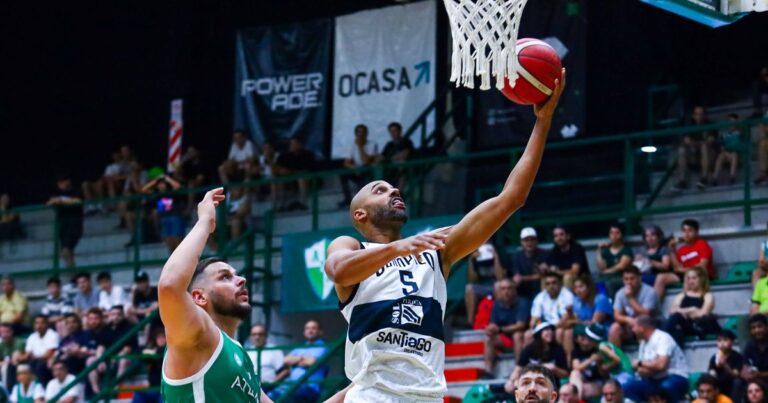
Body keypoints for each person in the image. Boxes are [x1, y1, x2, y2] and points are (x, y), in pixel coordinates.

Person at [323, 72, 565, 402]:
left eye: (394, 187)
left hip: (427, 396)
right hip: (373, 395)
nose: (394, 189)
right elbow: (338, 270)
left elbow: (511, 199)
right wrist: (397, 248)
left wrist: (543, 121)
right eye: (380, 190)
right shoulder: (351, 246)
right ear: (359, 215)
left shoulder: (436, 251)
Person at [157, 189, 352, 403]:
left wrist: (355, 388)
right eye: (225, 277)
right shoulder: (197, 335)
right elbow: (169, 285)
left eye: (236, 275)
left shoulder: (240, 354)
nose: (241, 280)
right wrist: (205, 222)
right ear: (199, 297)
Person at [623, 315, 689, 403]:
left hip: (675, 377)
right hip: (653, 379)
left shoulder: (663, 338)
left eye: (634, 327)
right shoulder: (643, 343)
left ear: (641, 328)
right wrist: (651, 367)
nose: (632, 330)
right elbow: (640, 370)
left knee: (666, 387)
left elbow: (661, 365)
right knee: (628, 387)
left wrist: (640, 363)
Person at [269, 320, 329, 402]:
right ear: (304, 332)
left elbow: (311, 362)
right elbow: (286, 360)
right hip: (293, 385)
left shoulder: (323, 346)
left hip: (309, 388)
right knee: (270, 394)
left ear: (320, 332)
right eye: (307, 328)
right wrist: (302, 359)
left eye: (313, 328)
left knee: (283, 396)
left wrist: (295, 360)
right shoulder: (300, 347)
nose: (310, 330)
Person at [662, 266, 719, 345]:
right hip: (683, 325)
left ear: (701, 279)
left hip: (698, 326)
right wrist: (692, 309)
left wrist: (682, 312)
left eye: (694, 278)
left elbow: (703, 314)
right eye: (688, 278)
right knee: (676, 329)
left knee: (676, 318)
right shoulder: (681, 295)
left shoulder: (707, 296)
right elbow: (672, 311)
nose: (691, 281)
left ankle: (660, 343)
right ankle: (675, 353)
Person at [484, 279, 530, 370]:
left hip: (523, 337)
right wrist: (490, 329)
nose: (506, 292)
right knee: (489, 339)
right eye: (503, 289)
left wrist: (500, 329)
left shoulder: (522, 302)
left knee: (517, 335)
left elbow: (520, 325)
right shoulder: (497, 305)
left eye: (509, 288)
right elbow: (493, 325)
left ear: (514, 290)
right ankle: (488, 370)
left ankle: (519, 368)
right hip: (505, 337)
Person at [609, 266, 658, 347]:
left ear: (639, 278)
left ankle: (644, 358)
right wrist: (628, 319)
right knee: (614, 328)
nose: (629, 282)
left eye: (632, 279)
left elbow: (646, 313)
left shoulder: (650, 291)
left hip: (651, 323)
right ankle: (617, 357)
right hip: (631, 325)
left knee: (640, 325)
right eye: (626, 279)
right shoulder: (620, 293)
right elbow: (616, 315)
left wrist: (630, 298)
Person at [529, 272, 576, 355]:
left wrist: (550, 330)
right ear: (545, 286)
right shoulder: (540, 297)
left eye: (554, 283)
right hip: (545, 327)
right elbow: (534, 319)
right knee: (527, 334)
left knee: (559, 332)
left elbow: (565, 318)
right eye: (548, 284)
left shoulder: (567, 295)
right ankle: (533, 362)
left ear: (560, 283)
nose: (551, 286)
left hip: (561, 326)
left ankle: (560, 361)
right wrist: (535, 329)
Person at [672, 105, 716, 190]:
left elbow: (711, 140)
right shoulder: (690, 126)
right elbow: (686, 141)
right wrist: (697, 143)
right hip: (694, 155)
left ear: (704, 115)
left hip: (710, 155)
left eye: (701, 114)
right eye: (697, 114)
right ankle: (682, 181)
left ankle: (704, 178)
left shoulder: (711, 125)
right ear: (693, 116)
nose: (699, 116)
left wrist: (695, 143)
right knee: (682, 150)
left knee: (704, 147)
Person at [667, 219, 715, 295]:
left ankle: (686, 301)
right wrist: (672, 250)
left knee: (689, 275)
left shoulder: (702, 244)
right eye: (684, 231)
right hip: (687, 275)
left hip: (703, 275)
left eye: (690, 230)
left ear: (696, 232)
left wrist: (684, 270)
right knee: (661, 278)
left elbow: (702, 266)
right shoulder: (681, 250)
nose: (686, 233)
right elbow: (677, 268)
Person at [142, 174, 186, 253]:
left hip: (174, 218)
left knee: (177, 241)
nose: (161, 185)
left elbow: (178, 187)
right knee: (169, 243)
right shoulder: (156, 194)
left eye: (163, 183)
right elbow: (143, 190)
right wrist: (155, 180)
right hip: (163, 219)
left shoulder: (171, 192)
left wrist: (167, 178)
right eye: (159, 184)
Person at [47, 175, 83, 268]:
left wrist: (62, 201)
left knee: (66, 251)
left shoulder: (75, 190)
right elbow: (49, 203)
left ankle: (74, 276)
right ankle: (74, 276)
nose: (60, 184)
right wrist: (55, 201)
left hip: (74, 223)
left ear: (68, 181)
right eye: (59, 182)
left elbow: (78, 201)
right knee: (67, 252)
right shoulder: (56, 193)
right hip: (63, 225)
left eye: (62, 181)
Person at [339, 124, 379, 208]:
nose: (361, 134)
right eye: (359, 132)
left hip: (367, 169)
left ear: (366, 134)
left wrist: (360, 146)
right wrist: (355, 169)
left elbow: (366, 160)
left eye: (363, 132)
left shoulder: (372, 144)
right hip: (357, 169)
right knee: (343, 174)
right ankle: (347, 199)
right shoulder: (352, 145)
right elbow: (346, 162)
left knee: (365, 173)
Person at [465, 242, 505, 325]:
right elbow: (472, 280)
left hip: (495, 286)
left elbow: (500, 278)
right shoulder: (476, 255)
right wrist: (471, 261)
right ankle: (470, 322)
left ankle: (498, 321)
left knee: (498, 285)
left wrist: (496, 258)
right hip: (482, 286)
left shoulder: (498, 250)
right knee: (469, 288)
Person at [274, 137, 316, 211]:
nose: (292, 146)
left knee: (301, 178)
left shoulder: (308, 155)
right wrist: (281, 171)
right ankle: (280, 206)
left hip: (306, 180)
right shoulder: (285, 156)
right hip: (290, 181)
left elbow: (307, 170)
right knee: (280, 180)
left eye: (294, 144)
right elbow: (277, 168)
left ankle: (303, 203)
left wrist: (291, 172)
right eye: (291, 144)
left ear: (300, 145)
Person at [507, 227, 548, 301]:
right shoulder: (516, 256)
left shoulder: (544, 254)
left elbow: (543, 275)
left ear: (536, 241)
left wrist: (524, 278)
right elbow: (516, 277)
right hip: (522, 290)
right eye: (526, 240)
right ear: (521, 242)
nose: (529, 243)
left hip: (539, 289)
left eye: (532, 239)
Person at [632, 226, 672, 294]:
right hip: (643, 275)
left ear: (658, 237)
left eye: (653, 235)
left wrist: (651, 262)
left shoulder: (663, 249)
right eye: (647, 236)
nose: (650, 238)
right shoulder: (642, 251)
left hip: (658, 275)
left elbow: (665, 266)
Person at [19, 316, 58, 385]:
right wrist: (19, 357)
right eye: (37, 323)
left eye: (42, 323)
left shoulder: (53, 334)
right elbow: (28, 354)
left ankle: (42, 389)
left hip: (48, 362)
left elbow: (49, 354)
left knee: (39, 365)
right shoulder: (32, 336)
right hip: (34, 361)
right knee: (18, 366)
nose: (39, 326)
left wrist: (34, 357)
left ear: (47, 324)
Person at [596, 224, 633, 296]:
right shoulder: (606, 251)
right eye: (611, 233)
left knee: (609, 284)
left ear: (622, 235)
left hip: (620, 277)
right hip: (606, 277)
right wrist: (599, 250)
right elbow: (601, 267)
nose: (614, 235)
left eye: (617, 233)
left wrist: (606, 271)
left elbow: (621, 266)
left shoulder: (626, 250)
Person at [569, 326, 605, 399]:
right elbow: (576, 368)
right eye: (582, 336)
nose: (585, 338)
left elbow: (603, 374)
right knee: (574, 373)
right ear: (576, 339)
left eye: (586, 335)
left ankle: (578, 400)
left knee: (573, 393)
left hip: (597, 381)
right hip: (582, 380)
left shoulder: (597, 349)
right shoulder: (576, 351)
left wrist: (598, 363)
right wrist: (591, 360)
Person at [708, 330, 744, 403]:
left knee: (738, 382)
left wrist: (725, 365)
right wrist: (712, 375)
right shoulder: (714, 357)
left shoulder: (737, 356)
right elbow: (711, 371)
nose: (722, 343)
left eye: (725, 340)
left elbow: (735, 374)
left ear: (732, 342)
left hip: (731, 384)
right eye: (719, 340)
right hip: (718, 384)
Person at [132, 327, 165, 403]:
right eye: (159, 337)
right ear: (155, 339)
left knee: (163, 398)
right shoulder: (152, 349)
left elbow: (161, 351)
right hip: (153, 389)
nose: (161, 339)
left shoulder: (169, 351)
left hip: (165, 389)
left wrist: (152, 352)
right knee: (138, 394)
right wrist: (153, 352)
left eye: (163, 337)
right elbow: (138, 352)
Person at [712, 113, 742, 186]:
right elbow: (721, 146)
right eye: (730, 122)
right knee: (720, 156)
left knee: (734, 154)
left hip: (737, 154)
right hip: (726, 154)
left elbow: (740, 145)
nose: (732, 124)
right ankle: (714, 178)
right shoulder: (723, 134)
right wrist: (725, 151)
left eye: (734, 122)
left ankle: (732, 177)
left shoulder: (740, 133)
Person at [742, 314, 768, 385]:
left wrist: (759, 374)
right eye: (753, 328)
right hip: (755, 380)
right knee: (738, 382)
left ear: (766, 327)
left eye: (760, 326)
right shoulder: (749, 346)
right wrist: (745, 374)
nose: (757, 330)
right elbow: (745, 366)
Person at [0, 323, 25, 392]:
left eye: (7, 332)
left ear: (12, 332)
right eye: (2, 332)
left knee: (6, 367)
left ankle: (7, 392)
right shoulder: (1, 344)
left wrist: (5, 362)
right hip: (6, 366)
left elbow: (16, 359)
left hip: (19, 366)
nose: (4, 335)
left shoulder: (18, 342)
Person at [754, 222, 768, 286]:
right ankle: (757, 295)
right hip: (766, 267)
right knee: (756, 273)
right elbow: (761, 260)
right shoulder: (764, 244)